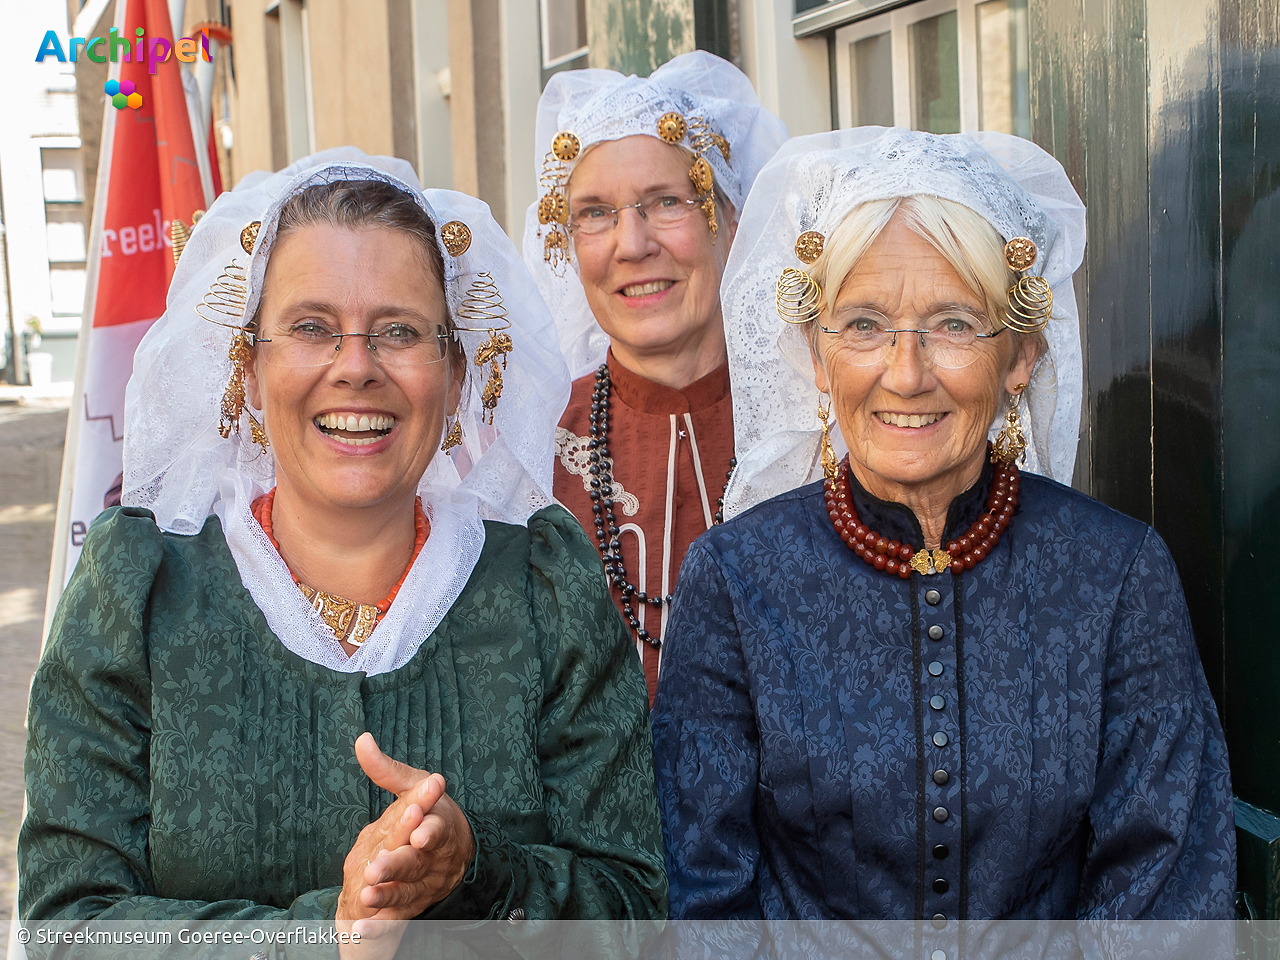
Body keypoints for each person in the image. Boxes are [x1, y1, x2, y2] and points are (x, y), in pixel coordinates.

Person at [20, 149, 666, 958]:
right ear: (249, 368)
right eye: (311, 328)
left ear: (456, 371)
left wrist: (475, 873)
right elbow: (62, 929)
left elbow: (639, 917)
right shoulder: (140, 588)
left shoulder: (543, 586)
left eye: (399, 331)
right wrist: (323, 935)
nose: (355, 367)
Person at [652, 128, 1235, 924]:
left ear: (1022, 353)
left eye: (956, 324)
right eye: (863, 325)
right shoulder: (735, 579)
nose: (907, 372)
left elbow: (1166, 890)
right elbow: (703, 897)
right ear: (818, 359)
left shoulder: (1115, 573)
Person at [523, 52, 786, 701]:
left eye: (666, 201)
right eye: (594, 213)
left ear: (729, 215)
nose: (631, 244)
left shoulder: (812, 426)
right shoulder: (529, 453)